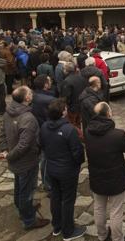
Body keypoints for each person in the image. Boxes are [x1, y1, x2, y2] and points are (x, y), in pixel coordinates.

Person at [0, 86, 49, 230]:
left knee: (19, 187)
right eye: (30, 93)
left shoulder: (8, 112)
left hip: (17, 161)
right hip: (26, 162)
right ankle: (29, 220)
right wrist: (8, 155)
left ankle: (23, 209)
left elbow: (1, 132)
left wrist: (5, 150)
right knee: (26, 190)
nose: (32, 94)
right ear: (26, 98)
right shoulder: (28, 118)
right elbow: (24, 145)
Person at [85, 102, 125, 241]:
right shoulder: (118, 134)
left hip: (96, 176)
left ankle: (102, 235)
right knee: (116, 210)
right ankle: (117, 238)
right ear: (108, 114)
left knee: (99, 207)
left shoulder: (88, 132)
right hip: (116, 177)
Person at [40, 98, 86, 240]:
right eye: (65, 109)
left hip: (52, 168)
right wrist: (78, 164)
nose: (67, 110)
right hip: (67, 171)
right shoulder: (69, 130)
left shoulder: (44, 126)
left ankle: (57, 226)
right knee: (67, 200)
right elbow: (78, 152)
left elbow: (41, 145)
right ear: (62, 112)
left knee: (55, 197)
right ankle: (68, 231)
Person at [60, 62, 88, 130]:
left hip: (72, 108)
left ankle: (76, 138)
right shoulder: (82, 77)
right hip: (81, 105)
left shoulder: (67, 81)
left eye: (64, 69)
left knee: (72, 125)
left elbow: (66, 97)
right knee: (78, 124)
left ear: (66, 70)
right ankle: (80, 137)